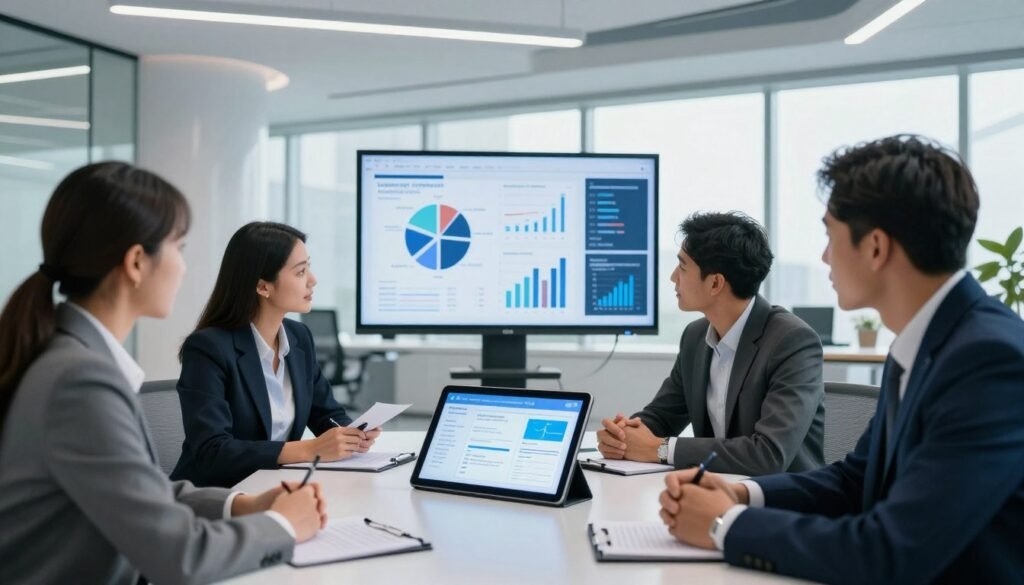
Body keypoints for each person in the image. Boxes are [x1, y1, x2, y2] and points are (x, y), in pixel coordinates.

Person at [658, 135, 1024, 584]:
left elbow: (892, 551)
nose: (824, 256)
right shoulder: (927, 342)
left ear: (875, 247)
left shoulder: (988, 359)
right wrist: (739, 492)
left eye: (830, 234)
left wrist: (724, 525)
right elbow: (855, 481)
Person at [0, 163, 326, 585]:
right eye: (179, 247)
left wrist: (241, 505)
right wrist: (283, 527)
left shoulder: (73, 360)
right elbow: (180, 557)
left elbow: (148, 493)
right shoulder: (79, 382)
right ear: (137, 262)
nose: (184, 267)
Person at [597, 212, 825, 475]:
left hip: (781, 501)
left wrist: (660, 449)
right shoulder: (695, 337)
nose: (673, 277)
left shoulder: (792, 341)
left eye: (682, 267)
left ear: (715, 283)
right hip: (715, 492)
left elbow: (768, 454)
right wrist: (622, 437)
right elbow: (661, 416)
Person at [172, 222, 380, 488]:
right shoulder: (208, 348)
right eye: (301, 271)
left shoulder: (299, 338)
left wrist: (352, 433)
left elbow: (325, 413)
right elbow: (213, 450)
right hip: (216, 496)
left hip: (275, 484)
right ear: (263, 287)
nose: (312, 279)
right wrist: (309, 450)